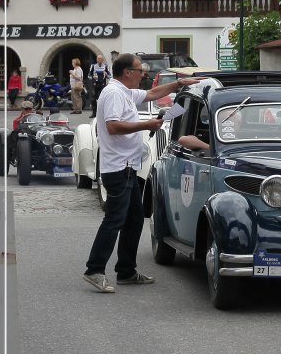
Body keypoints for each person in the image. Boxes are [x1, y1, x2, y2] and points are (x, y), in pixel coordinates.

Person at [84, 57, 197, 292]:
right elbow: (113, 126)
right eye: (140, 70)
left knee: (134, 220)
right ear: (127, 72)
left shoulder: (125, 92)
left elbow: (152, 93)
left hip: (127, 166)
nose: (143, 74)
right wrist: (146, 125)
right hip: (119, 167)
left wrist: (179, 84)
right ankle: (94, 269)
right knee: (114, 220)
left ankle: (126, 271)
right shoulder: (114, 93)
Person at [89, 53, 109, 117]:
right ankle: (94, 113)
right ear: (96, 59)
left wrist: (106, 75)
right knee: (93, 99)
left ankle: (102, 113)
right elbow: (89, 75)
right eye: (98, 59)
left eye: (101, 59)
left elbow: (110, 76)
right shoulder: (93, 66)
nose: (99, 60)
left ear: (102, 60)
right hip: (95, 85)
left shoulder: (105, 66)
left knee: (103, 99)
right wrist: (93, 77)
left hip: (102, 85)